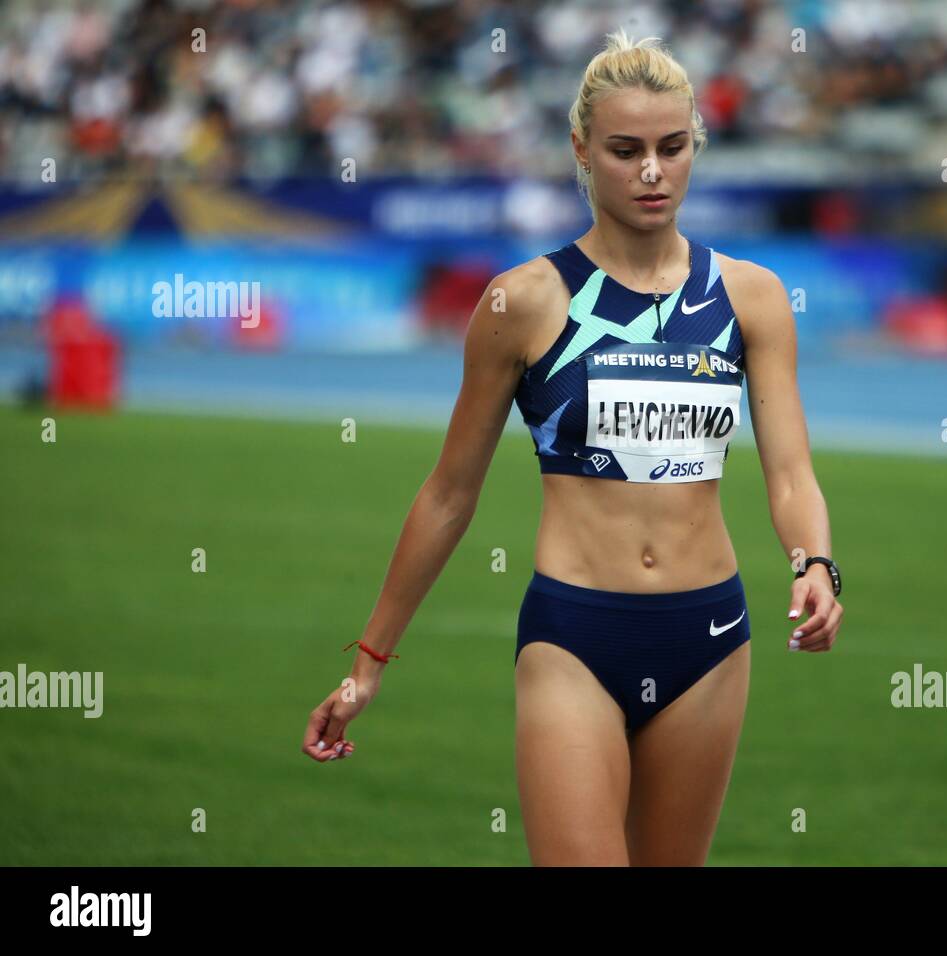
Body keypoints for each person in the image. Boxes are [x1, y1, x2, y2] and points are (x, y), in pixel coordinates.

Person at [300, 28, 843, 866]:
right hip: (573, 637)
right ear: (582, 151)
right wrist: (369, 660)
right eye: (626, 151)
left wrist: (814, 562)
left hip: (710, 635)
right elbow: (450, 492)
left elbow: (790, 471)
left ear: (697, 144)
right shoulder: (521, 302)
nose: (653, 171)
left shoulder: (753, 298)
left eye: (672, 147)